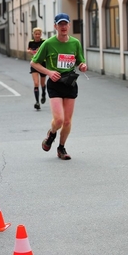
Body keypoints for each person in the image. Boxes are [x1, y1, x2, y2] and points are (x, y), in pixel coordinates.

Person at [30, 13, 87, 160]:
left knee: (67, 121)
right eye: (60, 24)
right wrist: (49, 72)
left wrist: (82, 65)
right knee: (59, 120)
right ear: (55, 26)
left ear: (68, 26)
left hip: (69, 83)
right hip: (55, 83)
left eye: (65, 24)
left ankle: (61, 147)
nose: (63, 27)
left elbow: (80, 61)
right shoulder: (48, 43)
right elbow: (34, 63)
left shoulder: (75, 43)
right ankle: (52, 133)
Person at [27, 27, 47, 110]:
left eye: (39, 34)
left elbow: (47, 51)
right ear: (33, 34)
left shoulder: (44, 42)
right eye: (36, 34)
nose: (37, 35)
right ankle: (37, 102)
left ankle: (43, 94)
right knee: (36, 83)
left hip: (42, 64)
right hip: (34, 64)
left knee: (42, 83)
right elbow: (28, 50)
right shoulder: (31, 42)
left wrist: (40, 51)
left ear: (41, 34)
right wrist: (30, 51)